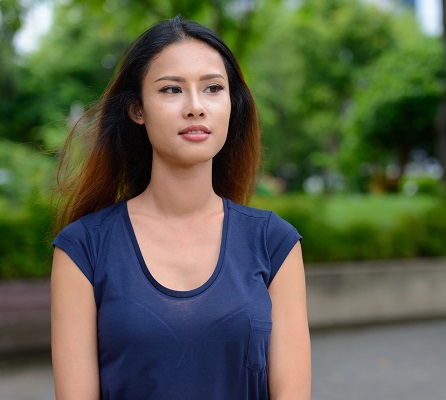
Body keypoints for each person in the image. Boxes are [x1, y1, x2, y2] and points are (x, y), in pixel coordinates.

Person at [50, 15, 311, 400]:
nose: (195, 107)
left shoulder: (275, 244)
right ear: (137, 109)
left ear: (231, 106)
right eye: (172, 90)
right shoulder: (84, 249)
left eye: (213, 89)